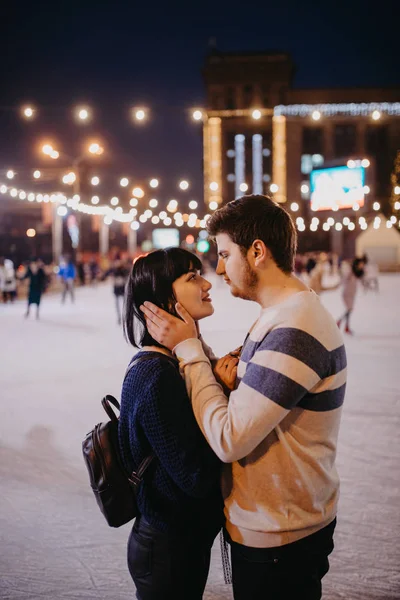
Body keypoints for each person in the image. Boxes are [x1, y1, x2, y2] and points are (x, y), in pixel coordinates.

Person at [141, 195, 347, 600]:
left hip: (279, 536)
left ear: (257, 252)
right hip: (277, 524)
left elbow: (229, 437)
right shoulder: (283, 316)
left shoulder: (294, 330)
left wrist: (189, 351)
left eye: (223, 254)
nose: (218, 269)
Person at [120, 248, 227, 600]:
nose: (207, 282)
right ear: (165, 296)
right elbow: (195, 476)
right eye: (192, 277)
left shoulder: (172, 363)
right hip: (167, 549)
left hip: (179, 541)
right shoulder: (157, 375)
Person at [337, 257, 365, 335]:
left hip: (352, 294)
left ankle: (345, 326)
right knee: (349, 309)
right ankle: (340, 322)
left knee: (349, 310)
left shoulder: (357, 272)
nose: (362, 265)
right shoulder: (350, 271)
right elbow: (343, 279)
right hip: (346, 294)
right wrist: (338, 284)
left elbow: (361, 279)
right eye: (361, 264)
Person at [102, 256, 130, 324]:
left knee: (124, 304)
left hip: (122, 290)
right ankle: (119, 317)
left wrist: (123, 280)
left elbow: (128, 276)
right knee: (117, 305)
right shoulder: (114, 270)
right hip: (117, 290)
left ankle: (125, 317)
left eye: (119, 262)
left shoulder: (124, 270)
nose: (117, 264)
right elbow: (106, 274)